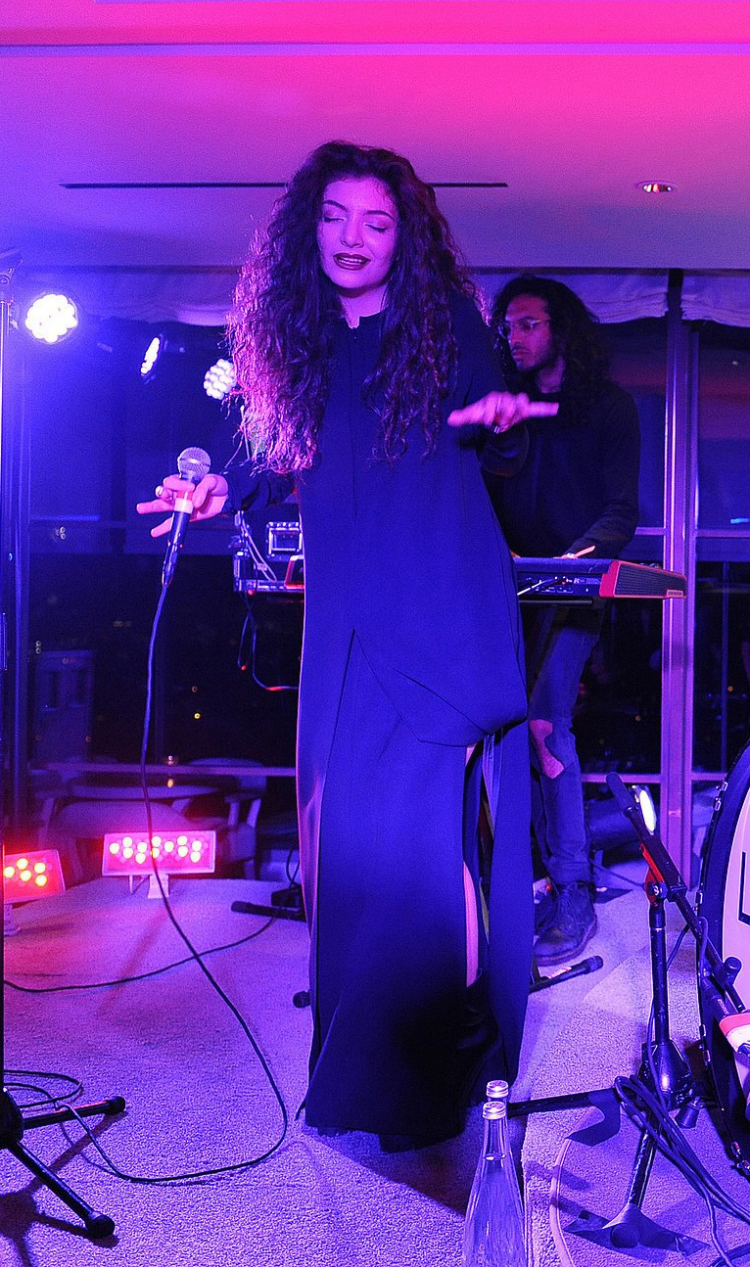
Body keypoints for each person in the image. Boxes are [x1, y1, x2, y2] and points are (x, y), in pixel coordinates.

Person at [138, 143, 556, 1148]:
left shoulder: (445, 323)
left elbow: (499, 436)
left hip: (441, 618)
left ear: (404, 237)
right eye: (335, 217)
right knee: (347, 859)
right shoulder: (299, 339)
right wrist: (216, 489)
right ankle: (365, 1078)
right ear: (307, 229)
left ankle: (438, 1074)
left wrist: (500, 420)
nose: (354, 238)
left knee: (419, 859)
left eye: (377, 221)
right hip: (346, 630)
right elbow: (268, 455)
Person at [487, 276, 640, 966]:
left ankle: (575, 890)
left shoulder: (608, 407)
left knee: (547, 723)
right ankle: (526, 882)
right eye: (508, 328)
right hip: (504, 589)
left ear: (561, 331)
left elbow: (621, 509)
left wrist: (575, 559)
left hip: (573, 589)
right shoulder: (505, 408)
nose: (515, 338)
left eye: (528, 324)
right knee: (500, 729)